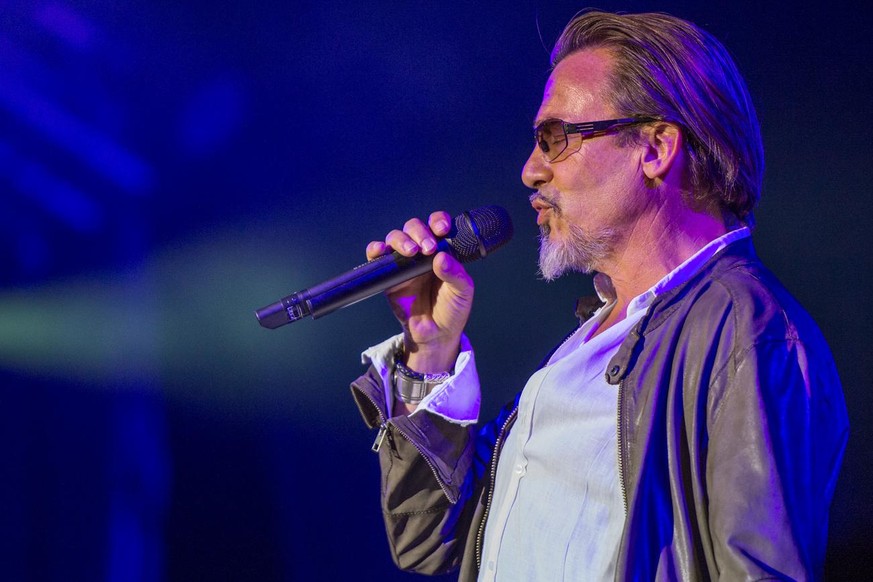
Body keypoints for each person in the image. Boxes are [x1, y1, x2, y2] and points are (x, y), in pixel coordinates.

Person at [350, 10, 848, 581]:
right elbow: (429, 542)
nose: (530, 170)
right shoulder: (585, 349)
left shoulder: (742, 327)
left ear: (656, 148)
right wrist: (431, 351)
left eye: (555, 138)